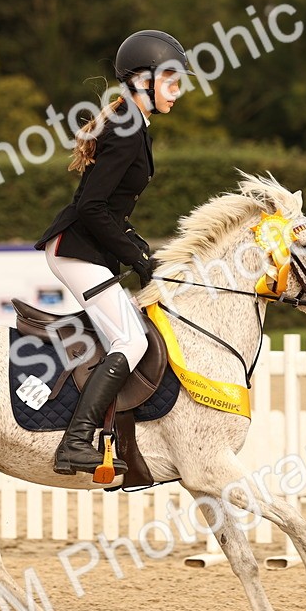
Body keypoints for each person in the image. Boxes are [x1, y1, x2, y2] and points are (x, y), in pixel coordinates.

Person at [34, 29, 193, 477]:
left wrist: (137, 246)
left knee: (128, 332)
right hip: (74, 250)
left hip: (88, 249)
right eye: (170, 82)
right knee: (132, 340)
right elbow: (91, 206)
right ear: (142, 81)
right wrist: (137, 258)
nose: (177, 92)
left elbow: (109, 208)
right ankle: (75, 443)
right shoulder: (127, 128)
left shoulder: (133, 124)